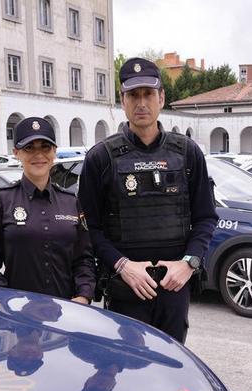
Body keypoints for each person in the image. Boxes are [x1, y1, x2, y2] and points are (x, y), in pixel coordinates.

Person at [78, 57, 218, 344]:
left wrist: (188, 263)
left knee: (172, 369)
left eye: (148, 94)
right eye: (133, 95)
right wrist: (122, 266)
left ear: (162, 98)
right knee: (129, 372)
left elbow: (205, 218)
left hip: (174, 288)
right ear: (123, 100)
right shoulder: (101, 158)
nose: (141, 103)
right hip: (125, 290)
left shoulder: (188, 153)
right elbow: (88, 228)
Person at [0, 117, 95, 305]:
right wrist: (11, 302)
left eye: (45, 147)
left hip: (68, 312)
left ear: (54, 151)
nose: (38, 155)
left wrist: (84, 296)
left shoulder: (71, 202)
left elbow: (84, 259)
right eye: (29, 148)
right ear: (16, 153)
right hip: (18, 316)